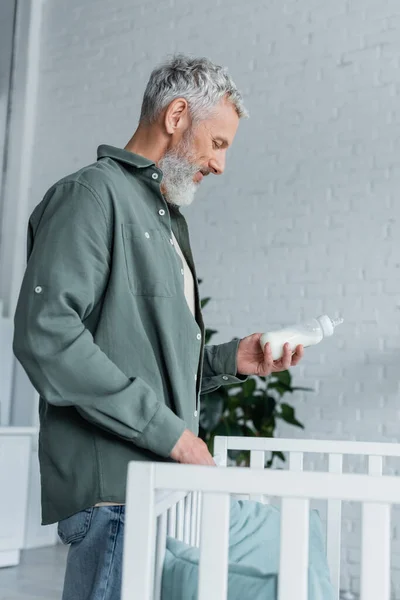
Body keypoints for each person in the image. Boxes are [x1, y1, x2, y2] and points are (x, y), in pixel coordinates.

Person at [13, 54, 304, 600]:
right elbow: (46, 334)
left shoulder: (164, 218)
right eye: (217, 144)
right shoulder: (91, 196)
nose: (220, 165)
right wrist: (173, 437)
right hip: (116, 499)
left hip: (155, 490)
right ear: (176, 116)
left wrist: (230, 360)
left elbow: (141, 358)